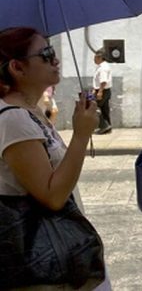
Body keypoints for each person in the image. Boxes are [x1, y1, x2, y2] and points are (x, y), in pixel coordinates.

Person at [0, 27, 111, 290]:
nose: (56, 59)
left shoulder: (30, 110)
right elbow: (52, 196)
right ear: (18, 67)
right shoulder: (13, 118)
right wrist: (81, 135)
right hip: (39, 254)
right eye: (46, 54)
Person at [92, 48, 112, 134]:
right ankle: (108, 127)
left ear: (100, 57)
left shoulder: (103, 68)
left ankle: (104, 126)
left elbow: (103, 81)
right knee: (104, 109)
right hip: (105, 90)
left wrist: (100, 91)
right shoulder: (104, 66)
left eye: (95, 58)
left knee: (94, 108)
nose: (94, 60)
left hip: (102, 90)